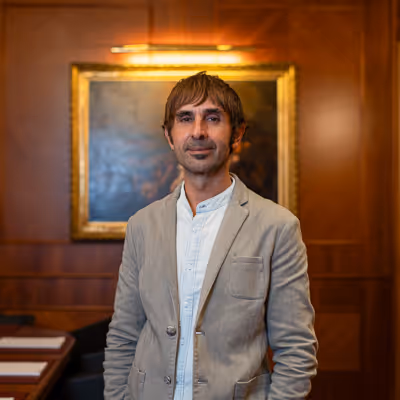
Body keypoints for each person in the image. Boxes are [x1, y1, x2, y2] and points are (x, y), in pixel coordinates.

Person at [104, 71, 318, 400]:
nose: (198, 131)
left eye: (213, 118)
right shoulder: (141, 225)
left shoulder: (277, 226)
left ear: (237, 133)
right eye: (185, 118)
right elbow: (123, 335)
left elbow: (296, 350)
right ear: (169, 135)